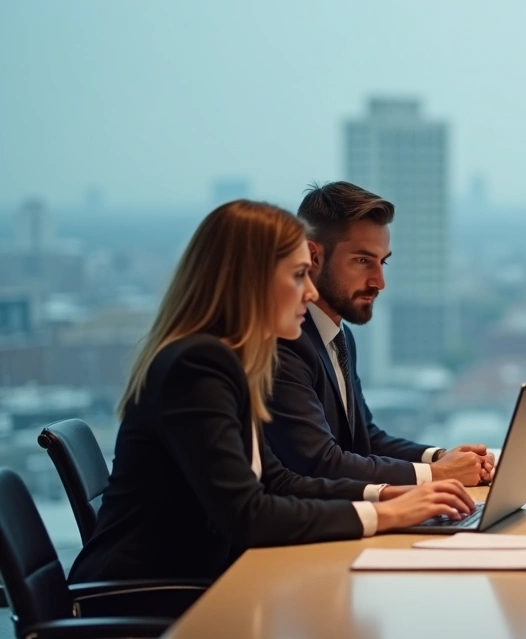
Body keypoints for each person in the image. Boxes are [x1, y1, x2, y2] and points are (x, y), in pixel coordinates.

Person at [69, 201, 475, 583]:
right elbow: (248, 516)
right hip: (140, 599)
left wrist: (388, 496)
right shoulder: (196, 367)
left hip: (193, 584)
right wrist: (382, 515)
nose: (311, 292)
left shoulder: (229, 360)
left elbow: (278, 482)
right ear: (250, 280)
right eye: (298, 275)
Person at [264, 181, 493, 487]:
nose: (379, 282)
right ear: (313, 257)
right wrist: (438, 475)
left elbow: (365, 439)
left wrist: (440, 457)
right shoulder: (285, 343)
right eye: (362, 261)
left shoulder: (339, 337)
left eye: (382, 262)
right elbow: (321, 462)